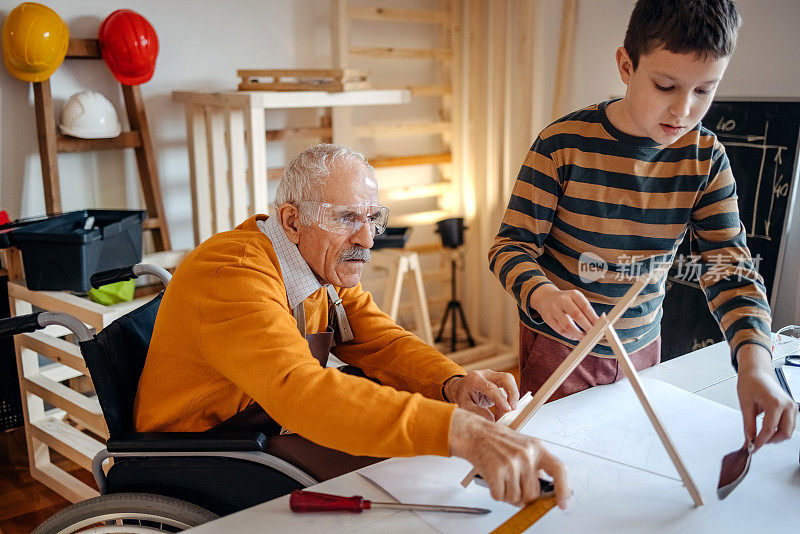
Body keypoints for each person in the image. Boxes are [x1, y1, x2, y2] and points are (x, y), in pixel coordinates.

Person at [135, 143, 569, 508]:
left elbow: (382, 341)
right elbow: (300, 390)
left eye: (371, 218)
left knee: (404, 471)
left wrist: (452, 385)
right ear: (291, 221)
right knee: (399, 489)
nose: (367, 238)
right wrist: (456, 431)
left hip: (258, 428)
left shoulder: (317, 266)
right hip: (199, 454)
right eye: (346, 218)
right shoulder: (234, 273)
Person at [489, 0, 796, 452]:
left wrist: (756, 364)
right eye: (665, 85)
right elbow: (509, 247)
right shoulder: (562, 145)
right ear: (626, 65)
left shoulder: (704, 158)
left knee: (625, 458)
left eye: (704, 91)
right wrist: (543, 294)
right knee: (556, 460)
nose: (683, 110)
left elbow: (728, 268)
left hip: (643, 345)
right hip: (559, 350)